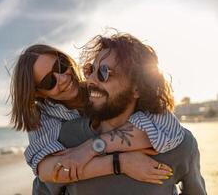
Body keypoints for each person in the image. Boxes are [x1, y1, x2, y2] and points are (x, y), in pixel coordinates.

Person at [43, 32, 207, 194]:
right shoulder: (65, 140)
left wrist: (91, 149)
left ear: (137, 88)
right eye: (90, 70)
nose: (91, 79)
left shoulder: (180, 144)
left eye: (104, 72)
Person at [9, 43, 185, 194]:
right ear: (37, 93)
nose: (63, 78)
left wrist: (90, 148)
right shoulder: (42, 117)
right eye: (49, 81)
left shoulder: (103, 87)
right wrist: (121, 163)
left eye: (61, 66)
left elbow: (167, 127)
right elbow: (47, 170)